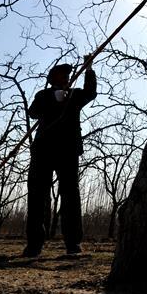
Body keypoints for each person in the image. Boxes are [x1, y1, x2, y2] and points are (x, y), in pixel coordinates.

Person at [23, 56, 97, 257]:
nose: (66, 76)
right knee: (37, 196)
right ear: (52, 78)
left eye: (67, 74)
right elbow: (33, 112)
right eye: (61, 74)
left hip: (68, 150)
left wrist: (89, 70)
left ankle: (73, 244)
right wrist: (52, 99)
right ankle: (34, 246)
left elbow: (91, 93)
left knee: (70, 197)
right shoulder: (43, 95)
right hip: (43, 150)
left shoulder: (74, 95)